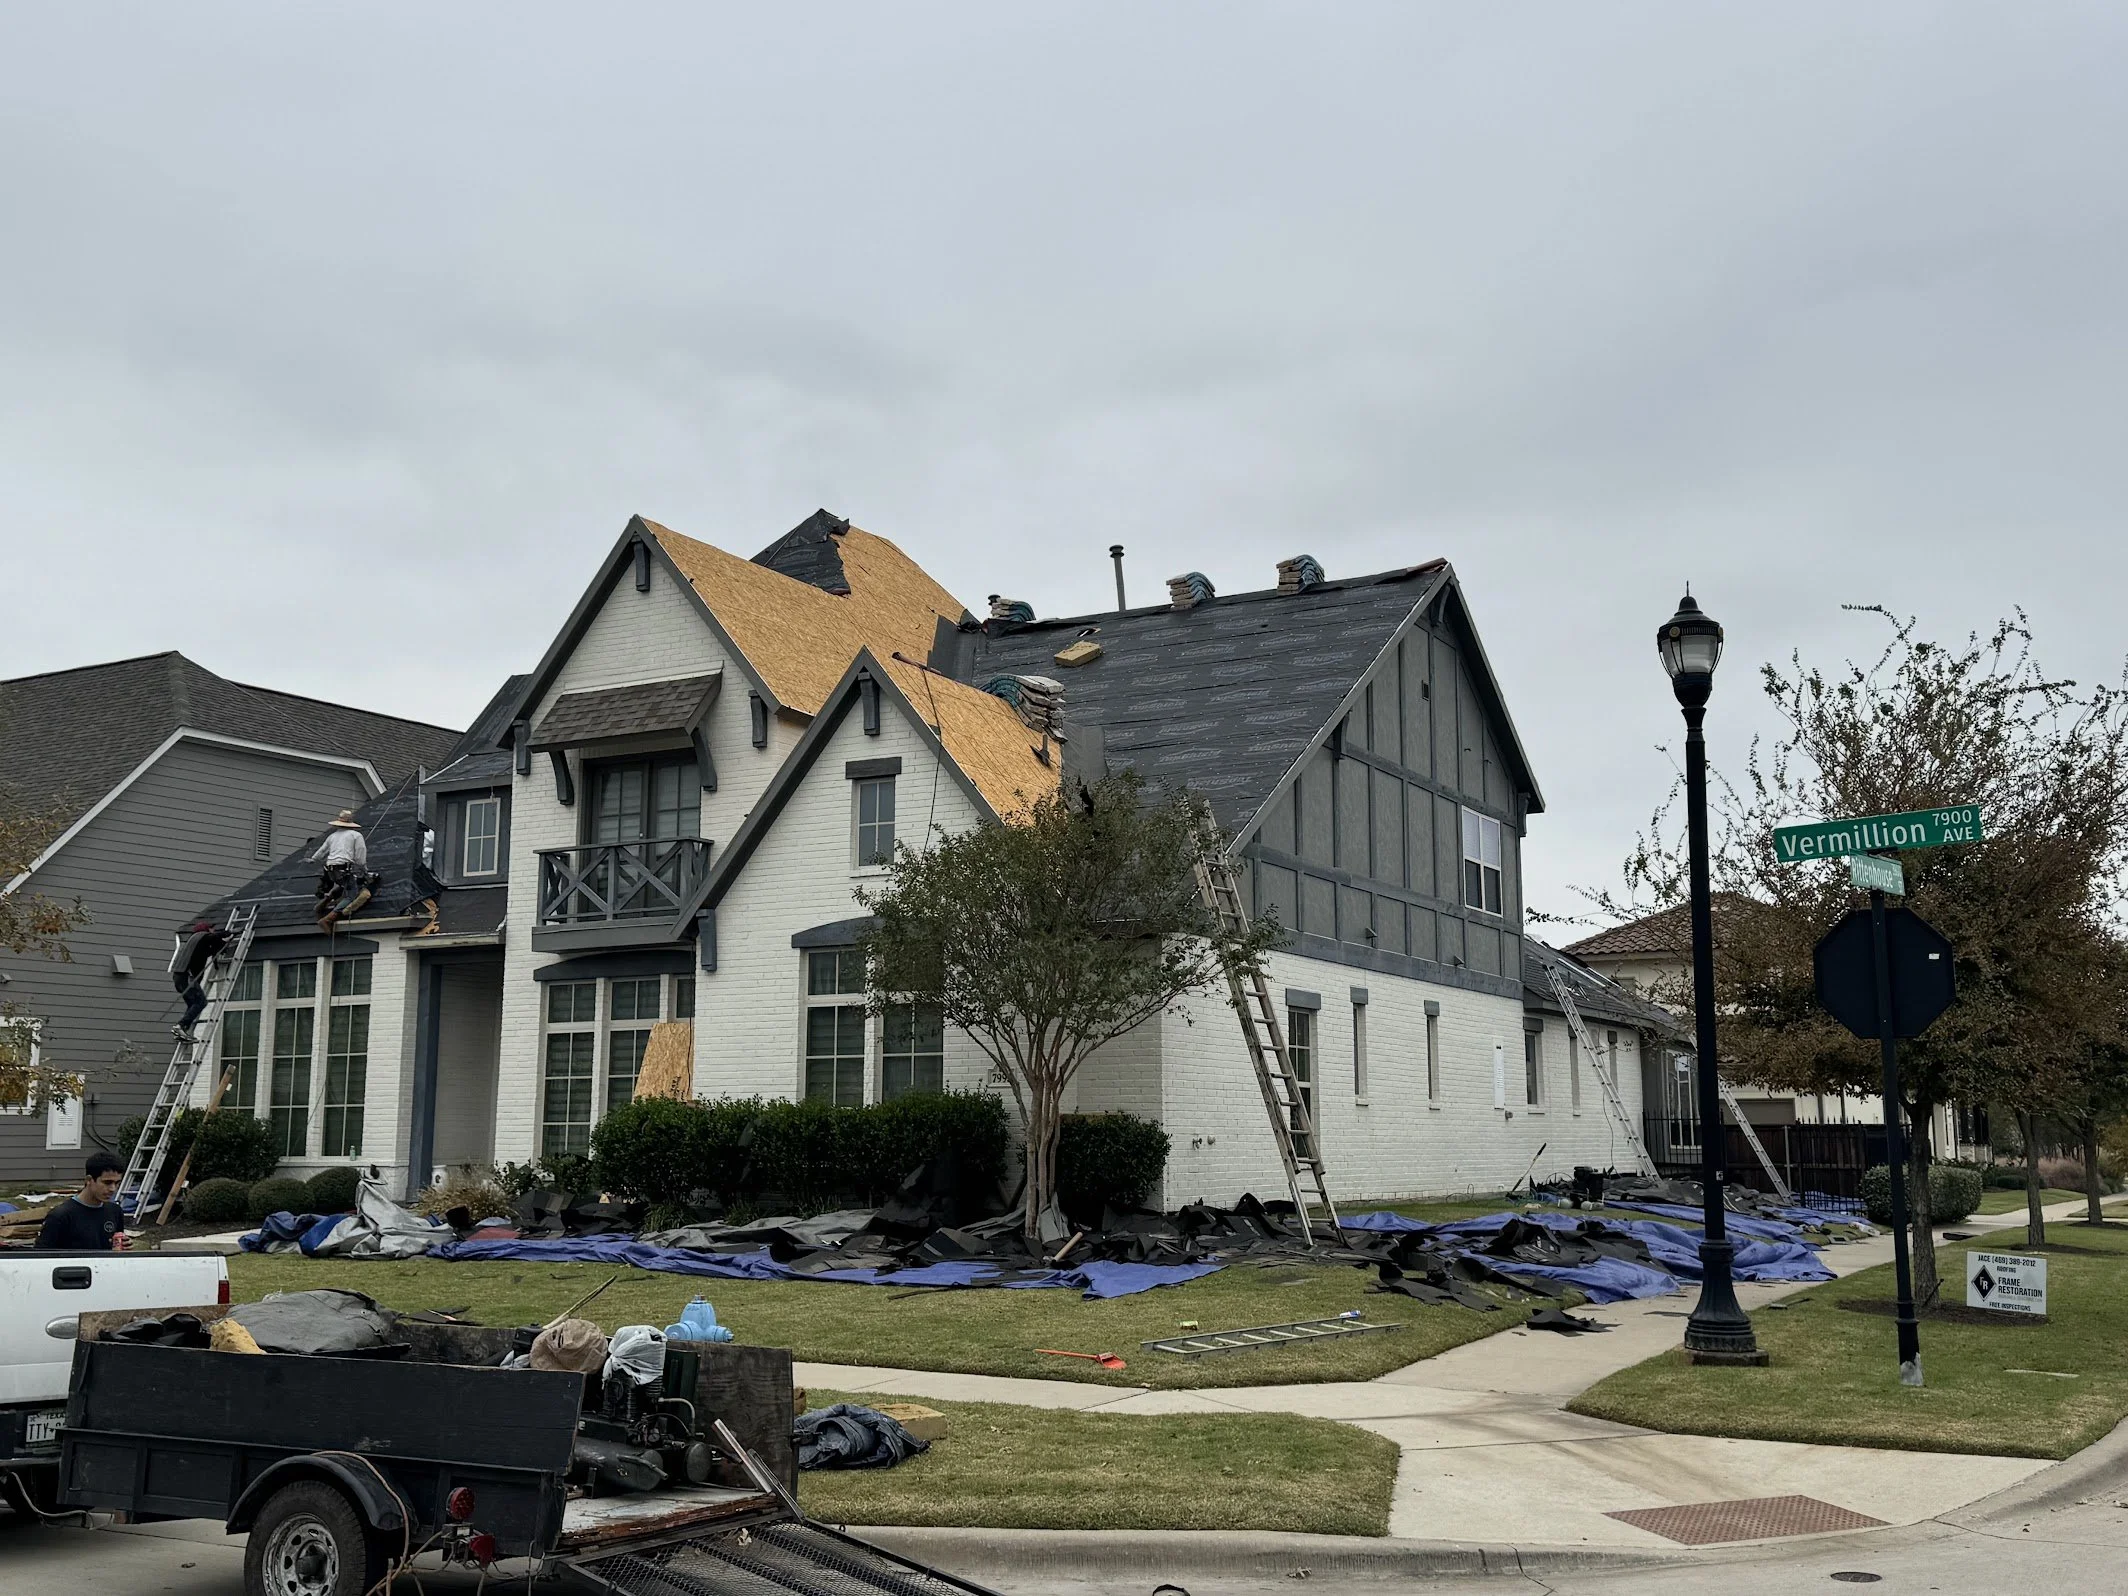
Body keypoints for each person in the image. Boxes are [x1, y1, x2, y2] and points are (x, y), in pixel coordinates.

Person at [36, 1151, 131, 1251]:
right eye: (107, 1182)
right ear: (89, 1180)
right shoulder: (61, 1216)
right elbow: (40, 1256)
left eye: (117, 1183)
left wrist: (125, 1248)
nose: (113, 1189)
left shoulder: (115, 1211)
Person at [168, 917, 230, 1041]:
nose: (213, 931)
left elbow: (210, 950)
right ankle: (180, 1026)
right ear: (205, 930)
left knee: (193, 1004)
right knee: (201, 1002)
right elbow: (212, 937)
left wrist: (222, 945)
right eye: (211, 929)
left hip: (179, 977)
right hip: (188, 977)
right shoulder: (200, 936)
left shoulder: (194, 944)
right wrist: (229, 932)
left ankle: (182, 1030)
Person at [311, 809, 369, 929]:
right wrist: (364, 869)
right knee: (351, 894)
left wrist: (313, 859)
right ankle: (328, 919)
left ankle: (320, 906)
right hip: (343, 869)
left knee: (343, 886)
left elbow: (322, 851)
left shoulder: (332, 836)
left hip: (330, 871)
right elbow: (360, 856)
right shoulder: (356, 835)